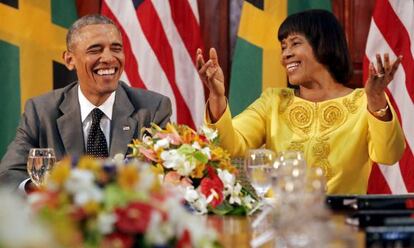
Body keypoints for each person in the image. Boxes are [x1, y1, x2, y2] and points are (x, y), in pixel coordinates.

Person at [197, 9, 405, 194]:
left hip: (340, 227)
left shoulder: (364, 101)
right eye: (283, 46)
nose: (286, 54)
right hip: (280, 226)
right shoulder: (273, 101)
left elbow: (389, 155)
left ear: (324, 45)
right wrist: (216, 97)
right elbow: (228, 147)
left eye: (295, 43)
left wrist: (377, 98)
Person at [0, 14, 172, 190]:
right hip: (63, 215)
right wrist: (45, 185)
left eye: (116, 48)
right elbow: (8, 174)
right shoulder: (41, 111)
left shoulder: (152, 109)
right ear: (69, 60)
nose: (109, 58)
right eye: (95, 50)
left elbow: (172, 174)